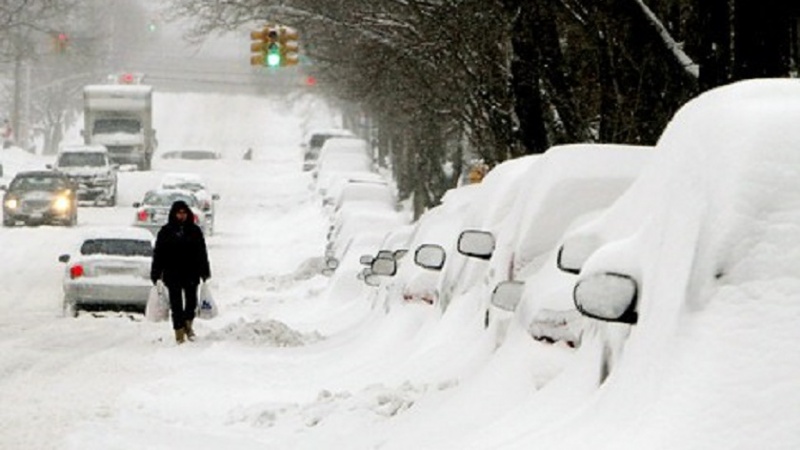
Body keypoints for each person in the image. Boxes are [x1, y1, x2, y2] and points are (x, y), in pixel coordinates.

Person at [150, 200, 211, 344]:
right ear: (174, 214)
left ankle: (188, 325)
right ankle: (179, 332)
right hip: (173, 274)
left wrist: (204, 270)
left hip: (191, 273)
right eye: (179, 213)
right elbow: (159, 254)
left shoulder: (194, 231)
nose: (181, 216)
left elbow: (201, 252)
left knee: (191, 303)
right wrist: (156, 273)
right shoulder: (166, 232)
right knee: (176, 305)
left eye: (184, 213)